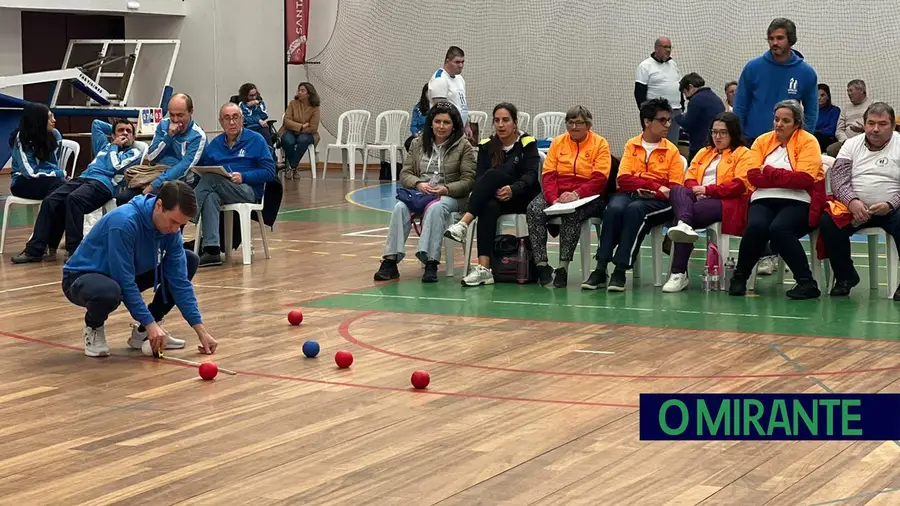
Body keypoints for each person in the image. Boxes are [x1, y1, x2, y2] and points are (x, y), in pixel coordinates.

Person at [62, 181, 218, 357]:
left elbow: (180, 282)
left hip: (125, 274)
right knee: (109, 291)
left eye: (181, 225)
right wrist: (150, 322)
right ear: (159, 206)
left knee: (189, 260)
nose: (176, 230)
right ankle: (93, 327)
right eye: (173, 222)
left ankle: (144, 332)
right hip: (82, 277)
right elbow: (124, 281)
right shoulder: (124, 222)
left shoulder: (171, 231)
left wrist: (201, 331)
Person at [584, 98, 684, 292]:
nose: (668, 125)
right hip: (631, 193)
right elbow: (622, 180)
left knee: (635, 210)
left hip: (660, 202)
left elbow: (674, 190)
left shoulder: (672, 151)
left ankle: (620, 269)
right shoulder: (632, 145)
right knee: (613, 208)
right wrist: (652, 184)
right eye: (662, 120)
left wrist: (650, 189)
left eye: (669, 120)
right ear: (647, 122)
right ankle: (600, 267)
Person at [728, 100, 825, 299]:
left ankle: (807, 283)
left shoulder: (808, 141)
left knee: (780, 229)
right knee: (756, 227)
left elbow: (804, 179)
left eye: (785, 121)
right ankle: (739, 278)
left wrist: (770, 172)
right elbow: (753, 175)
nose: (779, 124)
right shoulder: (762, 141)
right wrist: (785, 176)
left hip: (798, 200)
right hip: (763, 197)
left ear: (796, 124)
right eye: (776, 119)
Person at [10, 119, 142, 263]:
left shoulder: (134, 152)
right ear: (112, 135)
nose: (125, 134)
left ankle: (75, 251)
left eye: (129, 132)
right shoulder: (104, 145)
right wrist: (115, 135)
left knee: (74, 199)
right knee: (51, 200)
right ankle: (35, 250)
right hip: (83, 178)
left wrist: (115, 145)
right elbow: (96, 124)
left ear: (134, 137)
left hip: (104, 184)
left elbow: (113, 167)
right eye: (121, 131)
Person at [373, 102, 475, 283]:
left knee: (437, 208)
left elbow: (469, 180)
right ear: (431, 123)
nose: (441, 126)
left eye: (446, 122)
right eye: (437, 122)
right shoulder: (418, 143)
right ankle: (390, 260)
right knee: (400, 207)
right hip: (421, 193)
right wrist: (419, 184)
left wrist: (446, 189)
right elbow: (405, 173)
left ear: (454, 125)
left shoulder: (463, 146)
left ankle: (431, 262)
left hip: (451, 195)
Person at [443, 103, 541, 287]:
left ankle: (464, 222)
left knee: (494, 174)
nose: (501, 125)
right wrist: (495, 190)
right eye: (497, 120)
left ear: (515, 123)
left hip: (522, 197)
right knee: (488, 206)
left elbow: (531, 175)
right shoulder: (487, 145)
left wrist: (513, 189)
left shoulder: (527, 142)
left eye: (505, 120)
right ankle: (484, 269)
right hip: (496, 197)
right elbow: (479, 178)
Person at [663, 112, 753, 292]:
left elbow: (739, 185)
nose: (717, 137)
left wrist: (708, 190)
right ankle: (684, 225)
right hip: (698, 197)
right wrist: (698, 191)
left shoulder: (744, 154)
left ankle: (678, 273)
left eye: (723, 133)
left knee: (682, 217)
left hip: (727, 202)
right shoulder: (704, 152)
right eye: (714, 132)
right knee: (677, 190)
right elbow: (689, 178)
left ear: (733, 133)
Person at [819, 102, 900, 299]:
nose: (875, 129)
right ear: (864, 124)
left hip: (892, 209)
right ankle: (845, 277)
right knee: (828, 222)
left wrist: (891, 204)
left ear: (893, 126)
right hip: (855, 209)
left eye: (883, 124)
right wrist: (852, 201)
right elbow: (839, 179)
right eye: (871, 123)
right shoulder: (850, 145)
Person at [525, 105, 611, 288]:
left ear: (588, 125)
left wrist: (576, 194)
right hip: (558, 194)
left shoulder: (600, 143)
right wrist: (553, 198)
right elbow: (548, 175)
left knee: (572, 213)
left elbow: (600, 179)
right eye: (570, 123)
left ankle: (563, 268)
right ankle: (542, 265)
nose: (574, 127)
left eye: (579, 123)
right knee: (533, 209)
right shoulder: (558, 142)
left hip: (589, 195)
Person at [192, 103, 276, 267]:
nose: (232, 122)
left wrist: (243, 176)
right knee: (210, 195)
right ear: (221, 122)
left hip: (248, 190)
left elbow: (269, 172)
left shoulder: (256, 140)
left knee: (210, 180)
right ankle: (212, 250)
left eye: (235, 117)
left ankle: (187, 214)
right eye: (227, 118)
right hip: (221, 188)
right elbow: (204, 168)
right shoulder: (215, 144)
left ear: (242, 119)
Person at [733, 18, 818, 145]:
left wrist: (803, 138)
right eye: (771, 39)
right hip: (752, 140)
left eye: (779, 38)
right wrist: (738, 135)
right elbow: (740, 104)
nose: (774, 43)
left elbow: (811, 112)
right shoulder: (752, 67)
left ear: (791, 40)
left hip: (788, 142)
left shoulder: (806, 73)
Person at [116, 93, 206, 205]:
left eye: (180, 115)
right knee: (123, 199)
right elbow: (152, 157)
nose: (175, 120)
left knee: (152, 205)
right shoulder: (163, 125)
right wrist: (168, 136)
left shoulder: (198, 136)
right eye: (172, 115)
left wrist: (154, 185)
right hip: (155, 175)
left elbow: (183, 168)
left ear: (191, 112)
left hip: (180, 182)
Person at [8, 102, 65, 200]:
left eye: (53, 116)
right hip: (23, 181)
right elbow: (30, 173)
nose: (54, 120)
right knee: (60, 187)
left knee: (67, 188)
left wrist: (55, 174)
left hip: (47, 179)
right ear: (39, 121)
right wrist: (57, 174)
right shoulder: (22, 138)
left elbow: (53, 164)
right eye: (50, 118)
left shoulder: (55, 135)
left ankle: (51, 214)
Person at [635, 37, 683, 145]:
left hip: (675, 111)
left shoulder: (673, 64)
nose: (668, 50)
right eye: (665, 47)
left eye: (670, 47)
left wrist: (682, 106)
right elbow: (639, 92)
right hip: (657, 114)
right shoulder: (645, 66)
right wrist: (646, 113)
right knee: (655, 143)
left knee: (672, 144)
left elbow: (679, 86)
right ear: (656, 48)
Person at [674, 72, 725, 162]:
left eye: (685, 93)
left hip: (700, 145)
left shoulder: (695, 100)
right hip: (715, 143)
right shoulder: (714, 97)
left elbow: (687, 123)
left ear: (690, 87)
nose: (686, 97)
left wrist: (676, 116)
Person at [278, 82, 320, 179]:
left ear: (309, 94)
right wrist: (301, 126)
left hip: (308, 133)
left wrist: (298, 129)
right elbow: (287, 121)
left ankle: (292, 167)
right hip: (289, 131)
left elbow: (313, 128)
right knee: (289, 141)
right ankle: (294, 169)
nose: (299, 92)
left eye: (302, 91)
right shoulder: (293, 103)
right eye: (299, 90)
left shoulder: (315, 108)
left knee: (303, 140)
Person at [428, 46, 472, 140]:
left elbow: (462, 105)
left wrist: (467, 125)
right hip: (446, 131)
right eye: (457, 62)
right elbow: (440, 109)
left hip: (459, 129)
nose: (460, 65)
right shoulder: (439, 78)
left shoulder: (460, 79)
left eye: (462, 62)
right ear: (447, 61)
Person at [826, 79, 873, 157]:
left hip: (866, 139)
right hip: (847, 141)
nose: (848, 93)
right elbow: (839, 130)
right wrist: (845, 141)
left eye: (851, 90)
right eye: (847, 91)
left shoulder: (873, 104)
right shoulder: (846, 108)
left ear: (861, 90)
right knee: (831, 150)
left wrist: (863, 129)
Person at [814, 83, 840, 152]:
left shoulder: (834, 110)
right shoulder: (812, 111)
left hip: (828, 139)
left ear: (828, 96)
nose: (819, 98)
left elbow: (831, 130)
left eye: (822, 95)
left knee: (816, 136)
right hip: (813, 137)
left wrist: (815, 131)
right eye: (816, 95)